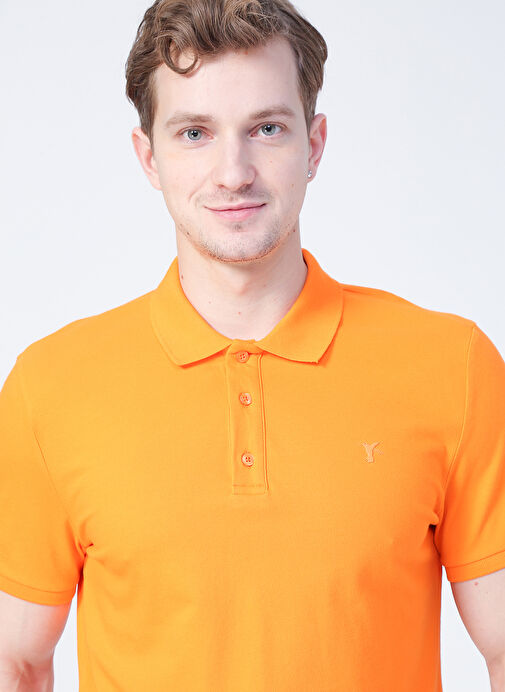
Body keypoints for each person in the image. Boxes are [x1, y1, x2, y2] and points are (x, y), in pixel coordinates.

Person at [1, 0, 504, 689]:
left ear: (314, 145)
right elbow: (16, 660)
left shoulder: (454, 367)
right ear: (149, 157)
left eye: (267, 128)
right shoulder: (50, 388)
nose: (233, 172)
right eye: (195, 133)